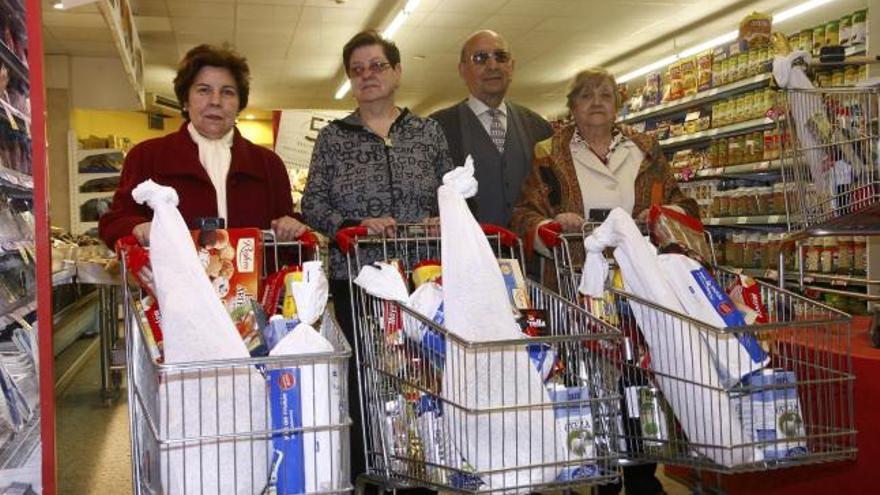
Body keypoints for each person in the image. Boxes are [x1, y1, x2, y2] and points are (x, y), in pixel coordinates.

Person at [512, 67, 698, 495]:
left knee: (640, 378)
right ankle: (598, 475)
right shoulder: (549, 152)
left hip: (639, 285)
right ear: (572, 106)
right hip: (580, 284)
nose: (596, 102)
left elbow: (681, 203)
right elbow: (524, 213)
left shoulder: (645, 149)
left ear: (617, 105)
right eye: (586, 95)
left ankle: (641, 470)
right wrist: (551, 225)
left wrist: (658, 219)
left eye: (606, 95)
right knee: (590, 382)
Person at [300, 30, 453, 494]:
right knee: (368, 378)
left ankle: (427, 467)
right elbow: (313, 205)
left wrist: (440, 219)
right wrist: (354, 223)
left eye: (377, 66)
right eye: (357, 69)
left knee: (425, 371)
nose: (367, 75)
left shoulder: (427, 132)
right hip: (358, 280)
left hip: (424, 281)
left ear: (397, 72)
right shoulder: (333, 136)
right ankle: (371, 472)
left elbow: (453, 194)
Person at [98, 44, 306, 249]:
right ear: (185, 101)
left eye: (227, 92)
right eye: (203, 90)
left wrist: (292, 226)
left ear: (239, 103)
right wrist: (137, 227)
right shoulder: (146, 156)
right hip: (170, 282)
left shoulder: (268, 165)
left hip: (251, 282)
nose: (215, 101)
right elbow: (113, 223)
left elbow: (286, 230)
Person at [430, 30, 553, 227]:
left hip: (529, 254)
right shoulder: (437, 128)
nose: (492, 65)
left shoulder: (539, 128)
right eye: (480, 58)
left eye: (500, 57)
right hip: (466, 252)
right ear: (462, 69)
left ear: (511, 66)